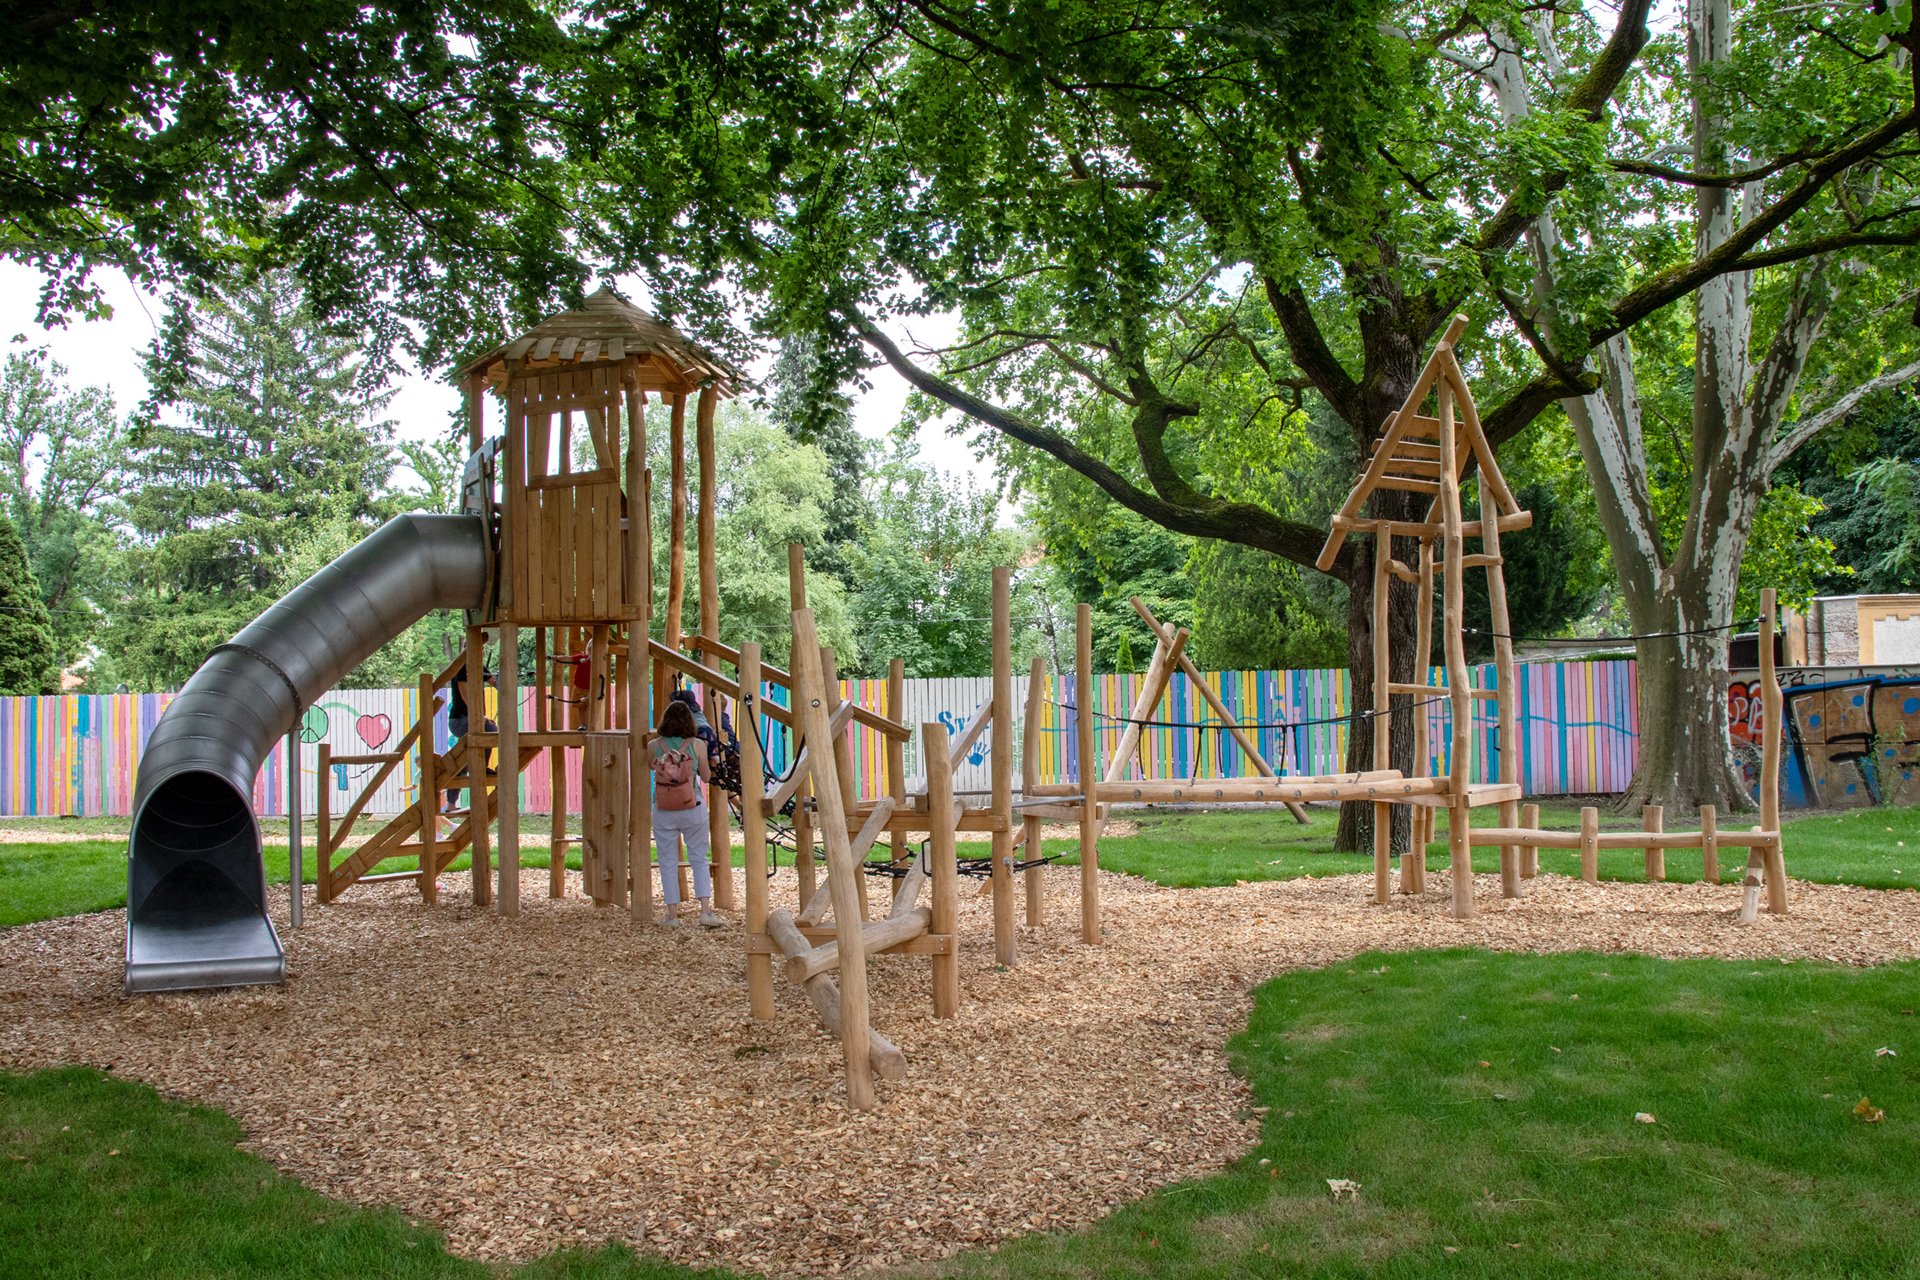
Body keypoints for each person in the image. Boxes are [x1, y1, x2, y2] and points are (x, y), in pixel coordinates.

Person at [652, 700, 722, 928]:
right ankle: (705, 911)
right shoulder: (697, 745)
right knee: (699, 857)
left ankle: (672, 915)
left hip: (664, 807)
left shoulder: (654, 745)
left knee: (667, 860)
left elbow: (650, 767)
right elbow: (707, 777)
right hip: (692, 805)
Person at [444, 666, 498, 811]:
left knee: (463, 762)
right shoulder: (462, 668)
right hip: (459, 720)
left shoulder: (479, 666)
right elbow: (464, 694)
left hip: (472, 720)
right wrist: (478, 716)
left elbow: (494, 682)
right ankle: (482, 767)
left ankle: (450, 804)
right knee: (490, 729)